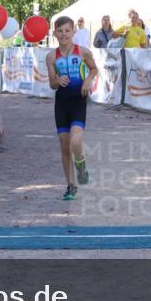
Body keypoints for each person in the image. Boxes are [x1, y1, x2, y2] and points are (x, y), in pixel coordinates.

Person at [46, 16, 99, 201]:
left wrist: (87, 82)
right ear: (54, 34)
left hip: (78, 101)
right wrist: (57, 81)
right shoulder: (51, 56)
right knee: (64, 145)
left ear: (73, 32)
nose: (63, 34)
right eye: (60, 31)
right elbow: (52, 84)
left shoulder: (83, 52)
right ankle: (71, 186)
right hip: (61, 103)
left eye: (67, 30)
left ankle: (81, 165)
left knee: (76, 141)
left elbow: (94, 69)